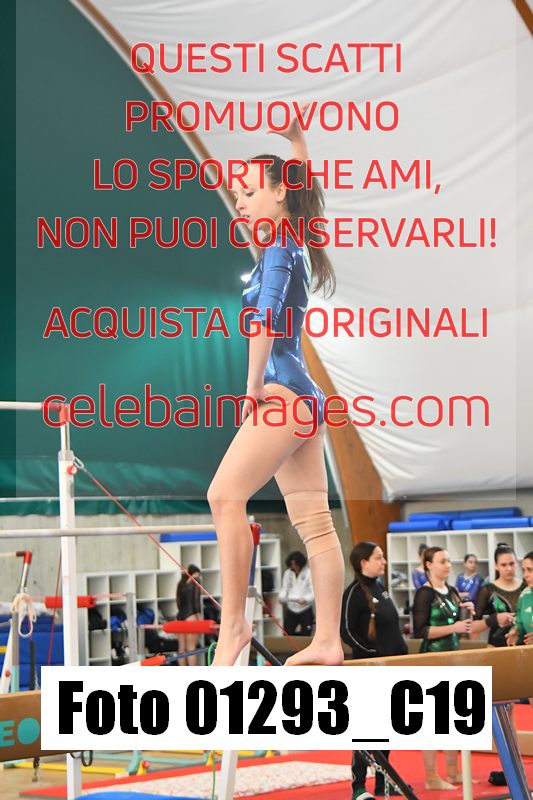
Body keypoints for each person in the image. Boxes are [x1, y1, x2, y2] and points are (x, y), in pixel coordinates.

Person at [207, 107, 344, 667]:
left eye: (248, 192)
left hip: (281, 393)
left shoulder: (282, 247)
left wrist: (250, 386)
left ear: (278, 194)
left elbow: (263, 319)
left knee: (224, 496)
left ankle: (233, 624)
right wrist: (298, 143)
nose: (239, 202)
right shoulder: (292, 239)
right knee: (315, 522)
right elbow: (303, 190)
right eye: (237, 194)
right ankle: (328, 641)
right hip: (305, 399)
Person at [341, 541, 407, 799]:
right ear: (363, 562)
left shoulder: (380, 587)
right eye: (379, 557)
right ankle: (358, 786)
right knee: (366, 727)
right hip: (369, 669)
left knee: (387, 726)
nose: (384, 562)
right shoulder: (353, 593)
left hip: (391, 666)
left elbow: (391, 628)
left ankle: (383, 781)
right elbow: (346, 631)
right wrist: (370, 655)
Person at [412, 547, 475, 790]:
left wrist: (469, 612)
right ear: (428, 565)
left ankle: (452, 771)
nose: (448, 565)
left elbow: (461, 624)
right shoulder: (424, 594)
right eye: (442, 561)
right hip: (432, 658)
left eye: (449, 560)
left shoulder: (451, 590)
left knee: (453, 717)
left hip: (453, 657)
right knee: (432, 720)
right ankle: (431, 776)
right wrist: (454, 628)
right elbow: (421, 630)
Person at [473, 543, 526, 646]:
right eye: (504, 565)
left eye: (511, 564)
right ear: (496, 566)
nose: (509, 568)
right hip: (496, 646)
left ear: (517, 563)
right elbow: (473, 627)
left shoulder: (526, 587)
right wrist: (493, 619)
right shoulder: (488, 590)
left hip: (523, 646)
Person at [278, 551, 315, 635]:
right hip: (291, 608)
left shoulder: (309, 573)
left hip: (305, 608)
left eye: (296, 565)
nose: (294, 567)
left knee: (306, 633)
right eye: (292, 565)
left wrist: (305, 599)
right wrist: (281, 597)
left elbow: (313, 592)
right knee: (287, 633)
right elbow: (284, 588)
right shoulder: (288, 573)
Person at [176, 564, 202, 665]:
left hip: (180, 616)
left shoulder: (181, 583)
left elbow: (178, 602)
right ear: (195, 574)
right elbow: (196, 601)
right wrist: (199, 617)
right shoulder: (195, 582)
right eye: (198, 574)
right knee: (191, 648)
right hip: (191, 616)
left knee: (181, 648)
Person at [506, 551, 533, 647]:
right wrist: (515, 634)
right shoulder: (524, 595)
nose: (525, 575)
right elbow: (519, 624)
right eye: (524, 570)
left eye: (530, 570)